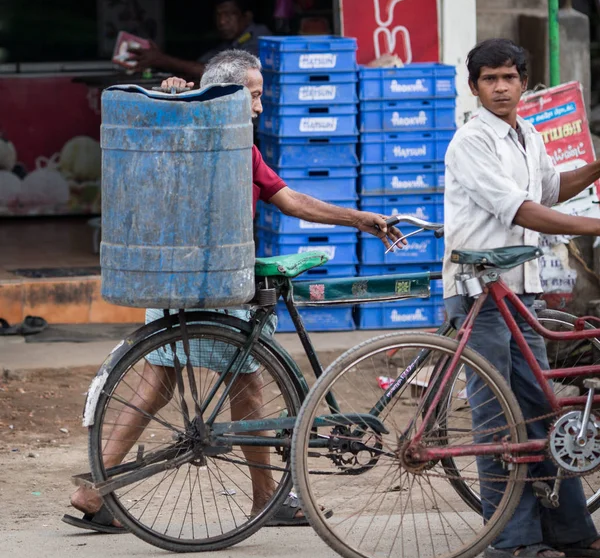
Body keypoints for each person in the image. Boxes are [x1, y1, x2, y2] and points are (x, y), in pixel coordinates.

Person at [63, 49, 403, 533]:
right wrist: (172, 94)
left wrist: (357, 218)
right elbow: (157, 124)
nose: (261, 106)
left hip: (169, 276)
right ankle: (268, 498)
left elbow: (290, 199)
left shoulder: (243, 144)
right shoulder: (188, 124)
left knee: (157, 383)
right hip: (215, 279)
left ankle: (94, 491)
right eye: (255, 95)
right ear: (226, 92)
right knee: (246, 383)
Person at [443, 38, 600, 558]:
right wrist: (595, 225)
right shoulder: (471, 141)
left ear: (524, 83)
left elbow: (551, 189)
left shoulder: (527, 135)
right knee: (497, 416)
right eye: (490, 79)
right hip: (480, 290)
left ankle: (570, 529)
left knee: (540, 409)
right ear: (475, 87)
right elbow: (523, 211)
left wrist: (598, 167)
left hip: (521, 290)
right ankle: (509, 539)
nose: (501, 87)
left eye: (509, 77)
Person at [129, 0, 271, 80]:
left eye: (229, 15)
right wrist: (159, 61)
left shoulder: (259, 37)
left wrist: (162, 60)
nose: (222, 21)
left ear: (246, 17)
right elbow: (201, 65)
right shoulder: (229, 42)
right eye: (218, 15)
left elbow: (217, 72)